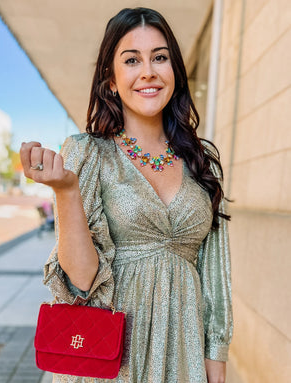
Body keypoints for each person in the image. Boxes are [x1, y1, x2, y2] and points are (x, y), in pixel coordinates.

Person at [20, 7, 233, 383]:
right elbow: (81, 282)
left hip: (181, 358)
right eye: (131, 59)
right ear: (112, 80)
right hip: (110, 362)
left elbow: (215, 276)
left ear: (175, 73)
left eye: (160, 57)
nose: (148, 71)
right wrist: (67, 192)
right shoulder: (88, 153)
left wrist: (216, 358)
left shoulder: (203, 163)